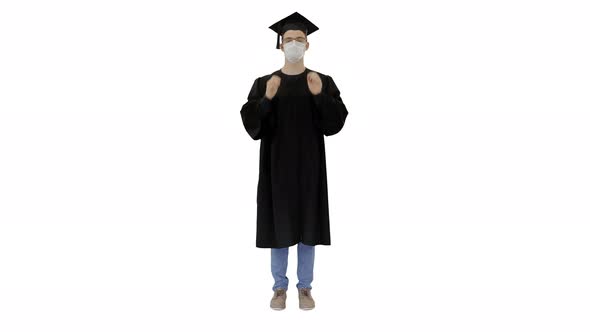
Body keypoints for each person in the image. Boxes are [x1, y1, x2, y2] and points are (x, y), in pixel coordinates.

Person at [240, 11, 349, 310]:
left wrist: (318, 96)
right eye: (288, 40)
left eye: (299, 40)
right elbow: (252, 126)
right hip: (276, 168)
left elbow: (334, 124)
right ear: (280, 44)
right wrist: (267, 100)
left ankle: (305, 287)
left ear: (307, 45)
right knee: (278, 228)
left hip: (310, 169)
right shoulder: (265, 83)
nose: (294, 44)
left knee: (308, 227)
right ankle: (279, 288)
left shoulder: (322, 81)